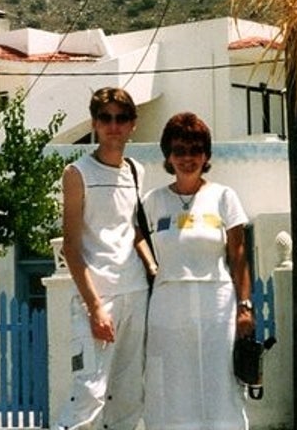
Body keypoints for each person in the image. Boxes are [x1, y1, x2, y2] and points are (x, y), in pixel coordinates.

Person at [142, 112, 254, 430]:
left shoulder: (223, 197)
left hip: (215, 300)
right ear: (168, 155)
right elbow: (135, 244)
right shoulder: (153, 202)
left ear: (205, 155)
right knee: (172, 380)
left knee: (219, 378)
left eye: (195, 150)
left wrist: (244, 307)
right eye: (179, 150)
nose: (187, 158)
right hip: (168, 301)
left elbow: (238, 254)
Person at [55, 87, 154, 430]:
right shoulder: (76, 174)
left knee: (129, 397)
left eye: (121, 118)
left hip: (136, 293)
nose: (114, 126)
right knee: (89, 395)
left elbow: (135, 231)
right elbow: (71, 246)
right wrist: (95, 306)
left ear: (133, 124)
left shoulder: (137, 171)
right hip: (98, 298)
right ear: (95, 123)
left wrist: (154, 269)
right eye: (106, 118)